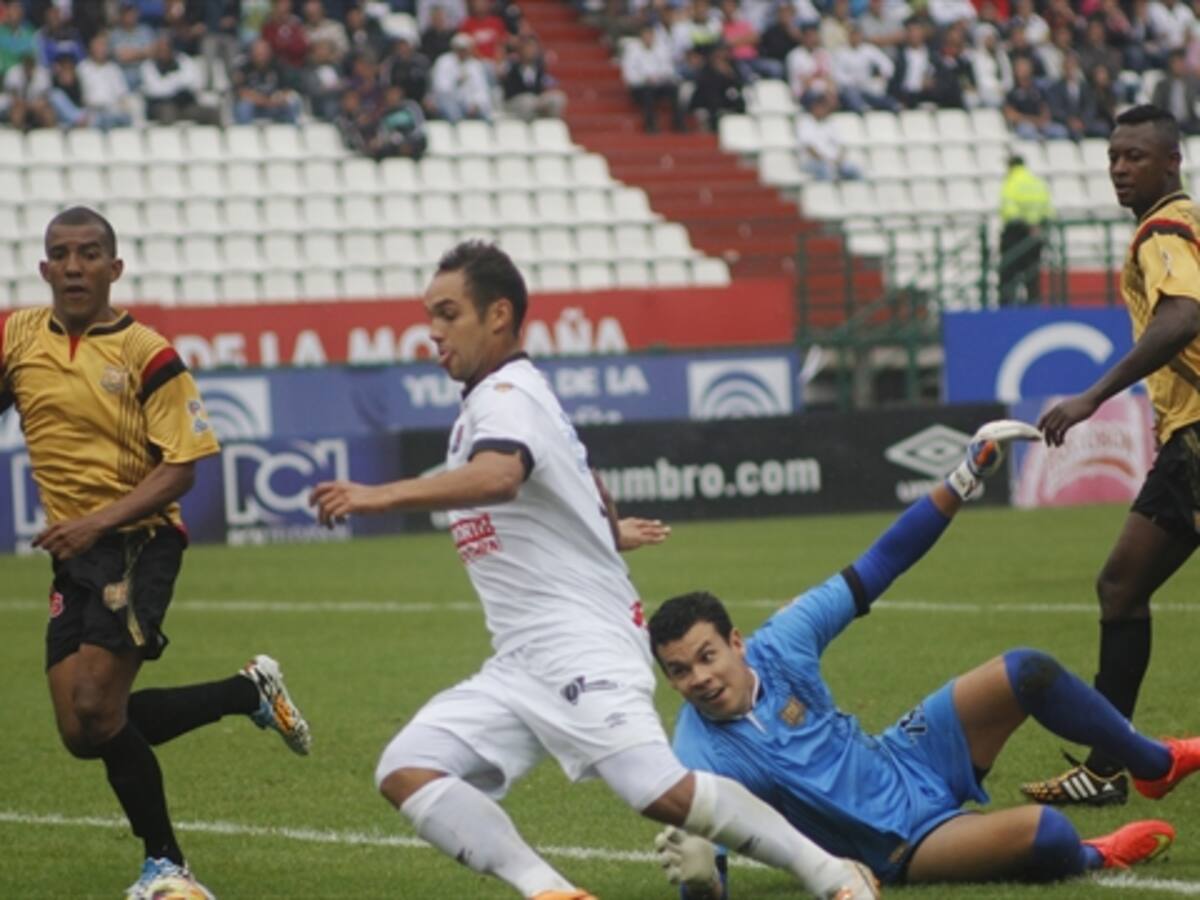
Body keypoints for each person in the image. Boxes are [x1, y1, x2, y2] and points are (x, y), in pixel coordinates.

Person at [310, 241, 880, 900]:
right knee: (408, 767)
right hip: (523, 658)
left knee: (659, 791)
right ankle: (550, 891)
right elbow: (580, 472)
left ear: (498, 314)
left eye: (447, 312)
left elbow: (500, 476)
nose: (432, 331)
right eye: (429, 314)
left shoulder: (505, 396)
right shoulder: (507, 399)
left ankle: (832, 874)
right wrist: (603, 531)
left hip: (582, 640)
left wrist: (376, 495)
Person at [648, 421, 1199, 897]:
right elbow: (705, 870)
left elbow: (882, 561)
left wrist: (966, 476)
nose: (699, 677)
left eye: (707, 656)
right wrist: (702, 885)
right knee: (1051, 834)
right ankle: (1096, 855)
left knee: (1026, 669)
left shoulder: (783, 641)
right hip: (899, 842)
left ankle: (1153, 764)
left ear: (737, 642)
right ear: (669, 682)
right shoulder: (697, 755)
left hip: (904, 757)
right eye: (680, 670)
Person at [0, 207, 312, 900]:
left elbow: (184, 467)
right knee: (83, 730)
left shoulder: (148, 353)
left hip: (140, 542)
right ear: (44, 268)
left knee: (95, 705)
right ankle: (245, 691)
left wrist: (95, 523)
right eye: (61, 254)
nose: (74, 266)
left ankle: (168, 866)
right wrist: (77, 535)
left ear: (116, 268)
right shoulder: (17, 334)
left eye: (89, 254)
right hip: (73, 554)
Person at [1023, 104, 1200, 808]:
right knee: (1121, 587)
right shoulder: (1187, 221)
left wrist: (1093, 395)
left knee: (1121, 588)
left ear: (1170, 162)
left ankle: (1105, 769)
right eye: (1113, 159)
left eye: (1135, 158)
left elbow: (1182, 315)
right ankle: (1105, 766)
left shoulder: (1163, 230)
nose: (1121, 170)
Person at [997, 153, 1053, 306]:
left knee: (1008, 273)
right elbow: (1048, 210)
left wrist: (1025, 225)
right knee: (1032, 274)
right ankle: (1033, 304)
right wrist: (1036, 225)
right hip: (1036, 234)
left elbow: (1009, 209)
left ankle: (1006, 306)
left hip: (1016, 234)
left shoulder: (1011, 182)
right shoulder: (1037, 183)